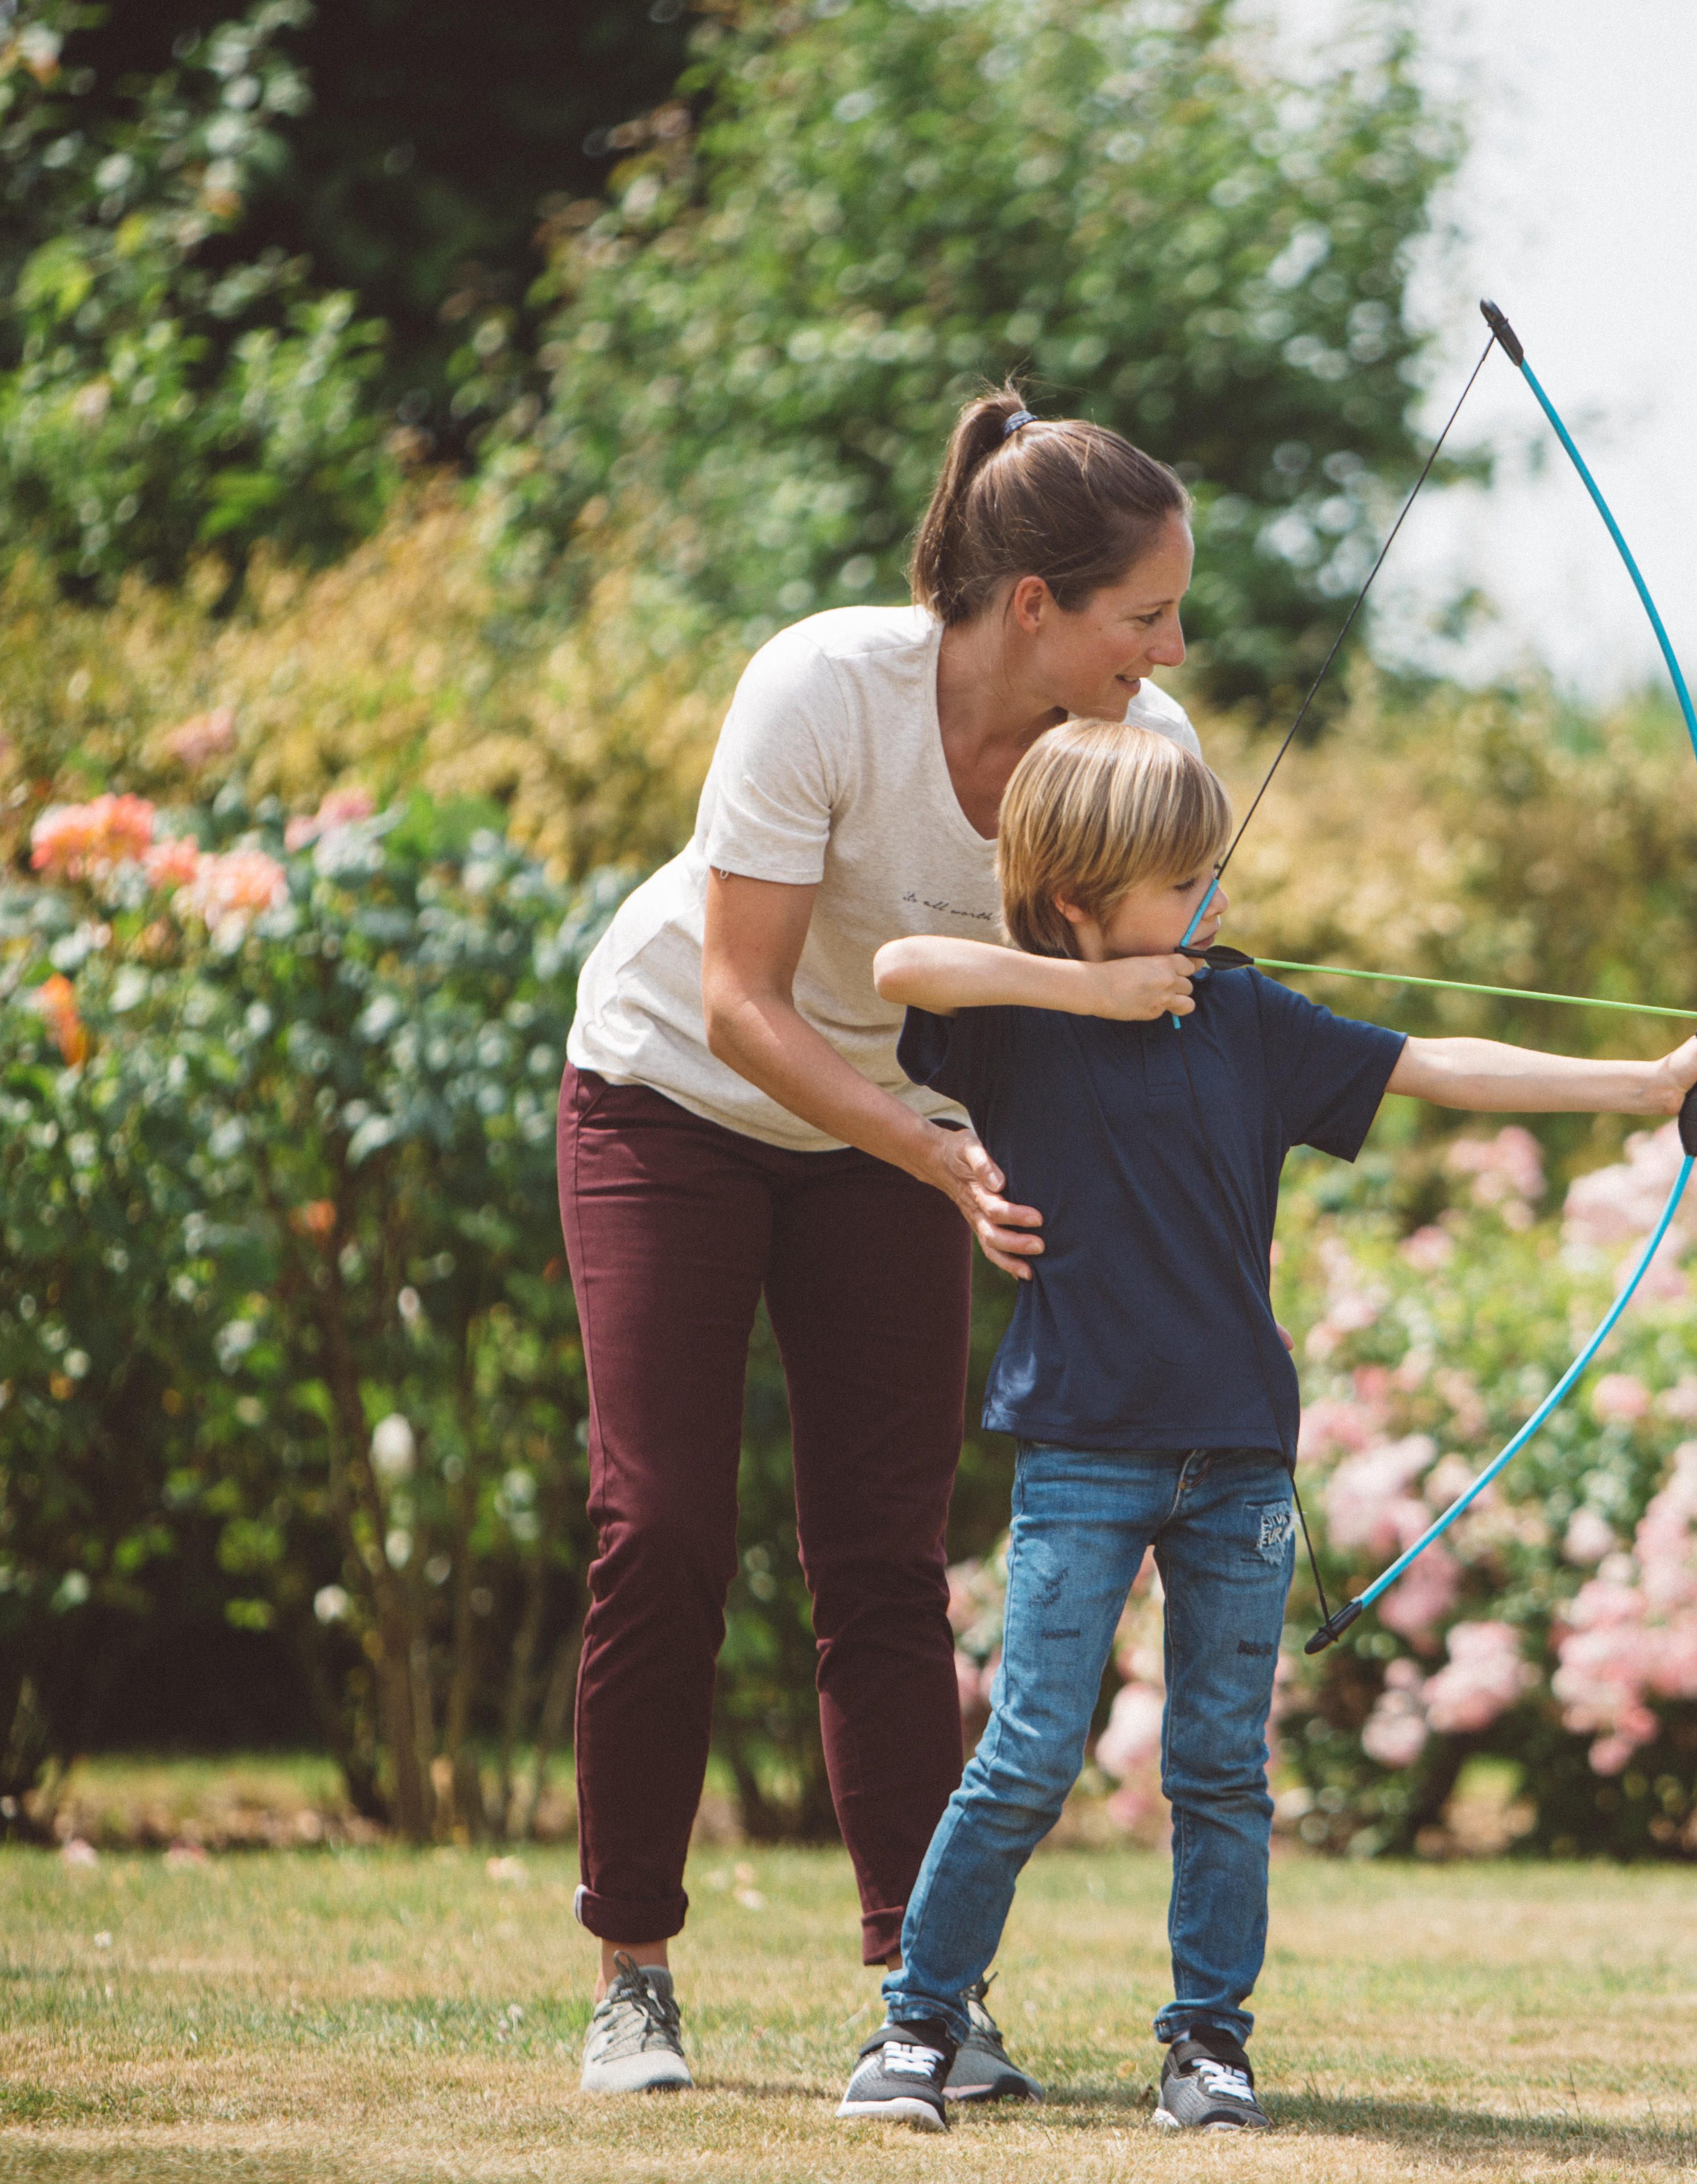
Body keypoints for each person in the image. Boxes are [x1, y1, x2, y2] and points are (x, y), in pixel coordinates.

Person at [831, 722, 1697, 2131]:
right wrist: (1096, 991)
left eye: (1212, 874)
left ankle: (1208, 2043)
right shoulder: (1013, 1028)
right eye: (1182, 881)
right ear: (1079, 893)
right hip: (1081, 1446)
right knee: (1028, 1746)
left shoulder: (1244, 1018)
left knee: (1219, 1765)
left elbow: (1434, 1064)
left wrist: (1641, 1086)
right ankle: (919, 2027)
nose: (1211, 904)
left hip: (1238, 1456)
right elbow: (902, 967)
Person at [554, 387, 1203, 2096]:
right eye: (1148, 613)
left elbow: (1134, 1015)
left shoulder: (1146, 757)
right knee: (665, 1523)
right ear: (1035, 606)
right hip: (674, 1097)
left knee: (885, 1563)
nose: (1174, 648)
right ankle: (634, 1972)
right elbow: (739, 1000)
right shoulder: (824, 687)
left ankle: (929, 2000)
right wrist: (933, 1152)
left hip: (895, 1147)